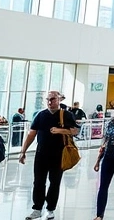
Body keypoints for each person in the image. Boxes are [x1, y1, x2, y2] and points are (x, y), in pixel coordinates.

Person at [19, 90, 79, 220]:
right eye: (48, 99)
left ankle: (50, 208)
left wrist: (60, 130)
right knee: (39, 181)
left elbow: (75, 131)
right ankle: (37, 208)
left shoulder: (66, 115)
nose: (50, 102)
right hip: (41, 154)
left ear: (59, 100)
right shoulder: (41, 115)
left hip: (59, 154)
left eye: (52, 99)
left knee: (55, 182)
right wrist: (23, 151)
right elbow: (31, 134)